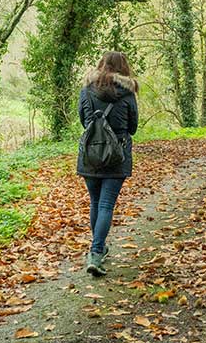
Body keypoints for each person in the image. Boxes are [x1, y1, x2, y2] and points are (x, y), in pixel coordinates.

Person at [77, 51, 139, 276]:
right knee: (105, 205)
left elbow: (84, 121)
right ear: (123, 67)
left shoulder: (86, 90)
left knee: (95, 203)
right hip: (117, 156)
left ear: (101, 65)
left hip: (90, 155)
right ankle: (96, 252)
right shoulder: (128, 93)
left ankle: (98, 248)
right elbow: (133, 128)